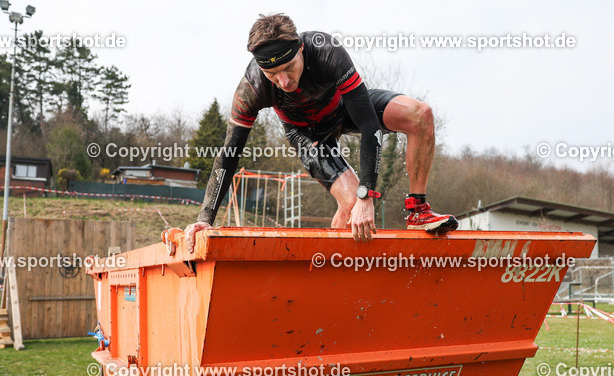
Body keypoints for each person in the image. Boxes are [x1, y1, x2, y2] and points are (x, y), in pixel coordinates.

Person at [185, 13, 457, 251]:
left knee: (420, 115)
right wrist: (204, 219)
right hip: (308, 135)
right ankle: (332, 272)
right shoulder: (252, 88)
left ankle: (418, 211)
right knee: (351, 206)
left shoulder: (325, 50)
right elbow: (229, 154)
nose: (284, 81)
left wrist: (367, 193)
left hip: (343, 109)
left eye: (289, 68)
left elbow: (368, 124)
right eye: (273, 75)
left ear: (301, 49)